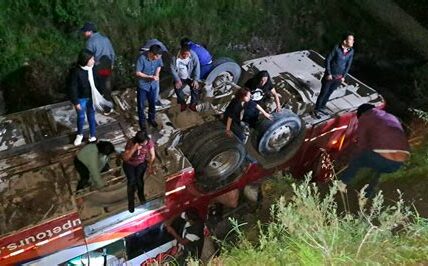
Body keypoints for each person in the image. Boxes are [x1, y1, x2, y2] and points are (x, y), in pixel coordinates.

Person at [340, 104, 410, 197]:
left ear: (361, 114)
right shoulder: (390, 117)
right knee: (378, 170)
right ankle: (366, 194)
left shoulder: (365, 118)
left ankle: (341, 183)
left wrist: (350, 156)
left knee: (358, 159)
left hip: (384, 158)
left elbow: (361, 144)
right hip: (399, 162)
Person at [70, 49, 113, 146]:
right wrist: (76, 102)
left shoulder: (94, 68)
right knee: (81, 116)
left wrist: (101, 92)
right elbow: (72, 87)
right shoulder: (76, 71)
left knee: (91, 116)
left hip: (92, 96)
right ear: (85, 60)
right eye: (91, 59)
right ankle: (80, 134)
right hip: (81, 98)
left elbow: (99, 81)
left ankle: (92, 135)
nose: (93, 61)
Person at [314, 33, 355, 117]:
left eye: (353, 40)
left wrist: (344, 76)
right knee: (323, 93)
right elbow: (328, 60)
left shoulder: (351, 51)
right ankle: (316, 109)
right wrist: (328, 73)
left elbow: (348, 64)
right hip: (330, 76)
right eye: (350, 39)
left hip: (339, 77)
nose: (353, 41)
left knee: (329, 93)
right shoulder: (336, 48)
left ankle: (322, 107)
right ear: (345, 41)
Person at [81, 22, 116, 115]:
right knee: (107, 86)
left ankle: (103, 106)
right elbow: (112, 53)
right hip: (108, 65)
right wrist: (112, 64)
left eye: (84, 31)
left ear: (90, 32)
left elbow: (88, 58)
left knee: (98, 86)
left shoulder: (90, 42)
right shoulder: (105, 39)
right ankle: (109, 106)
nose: (83, 33)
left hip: (97, 67)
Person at [122, 130, 156, 213]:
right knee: (131, 181)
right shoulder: (131, 142)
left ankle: (141, 196)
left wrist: (150, 166)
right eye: (142, 143)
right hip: (129, 164)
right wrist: (134, 148)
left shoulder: (149, 142)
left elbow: (152, 155)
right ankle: (131, 202)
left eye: (144, 142)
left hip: (141, 163)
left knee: (139, 181)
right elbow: (125, 158)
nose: (144, 144)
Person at [135, 44, 164, 129]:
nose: (158, 58)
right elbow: (138, 72)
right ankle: (142, 122)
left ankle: (151, 119)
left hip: (153, 85)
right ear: (152, 54)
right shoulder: (141, 58)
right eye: (157, 56)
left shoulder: (158, 57)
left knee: (152, 103)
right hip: (143, 85)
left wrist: (157, 74)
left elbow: (159, 65)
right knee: (141, 105)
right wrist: (149, 77)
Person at [171, 44, 201, 112]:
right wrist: (177, 80)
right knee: (177, 88)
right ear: (181, 52)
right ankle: (182, 103)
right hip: (179, 76)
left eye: (187, 54)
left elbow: (197, 68)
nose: (185, 56)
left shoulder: (193, 56)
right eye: (184, 54)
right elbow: (172, 68)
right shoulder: (175, 57)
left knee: (195, 87)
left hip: (189, 76)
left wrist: (195, 80)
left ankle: (193, 104)